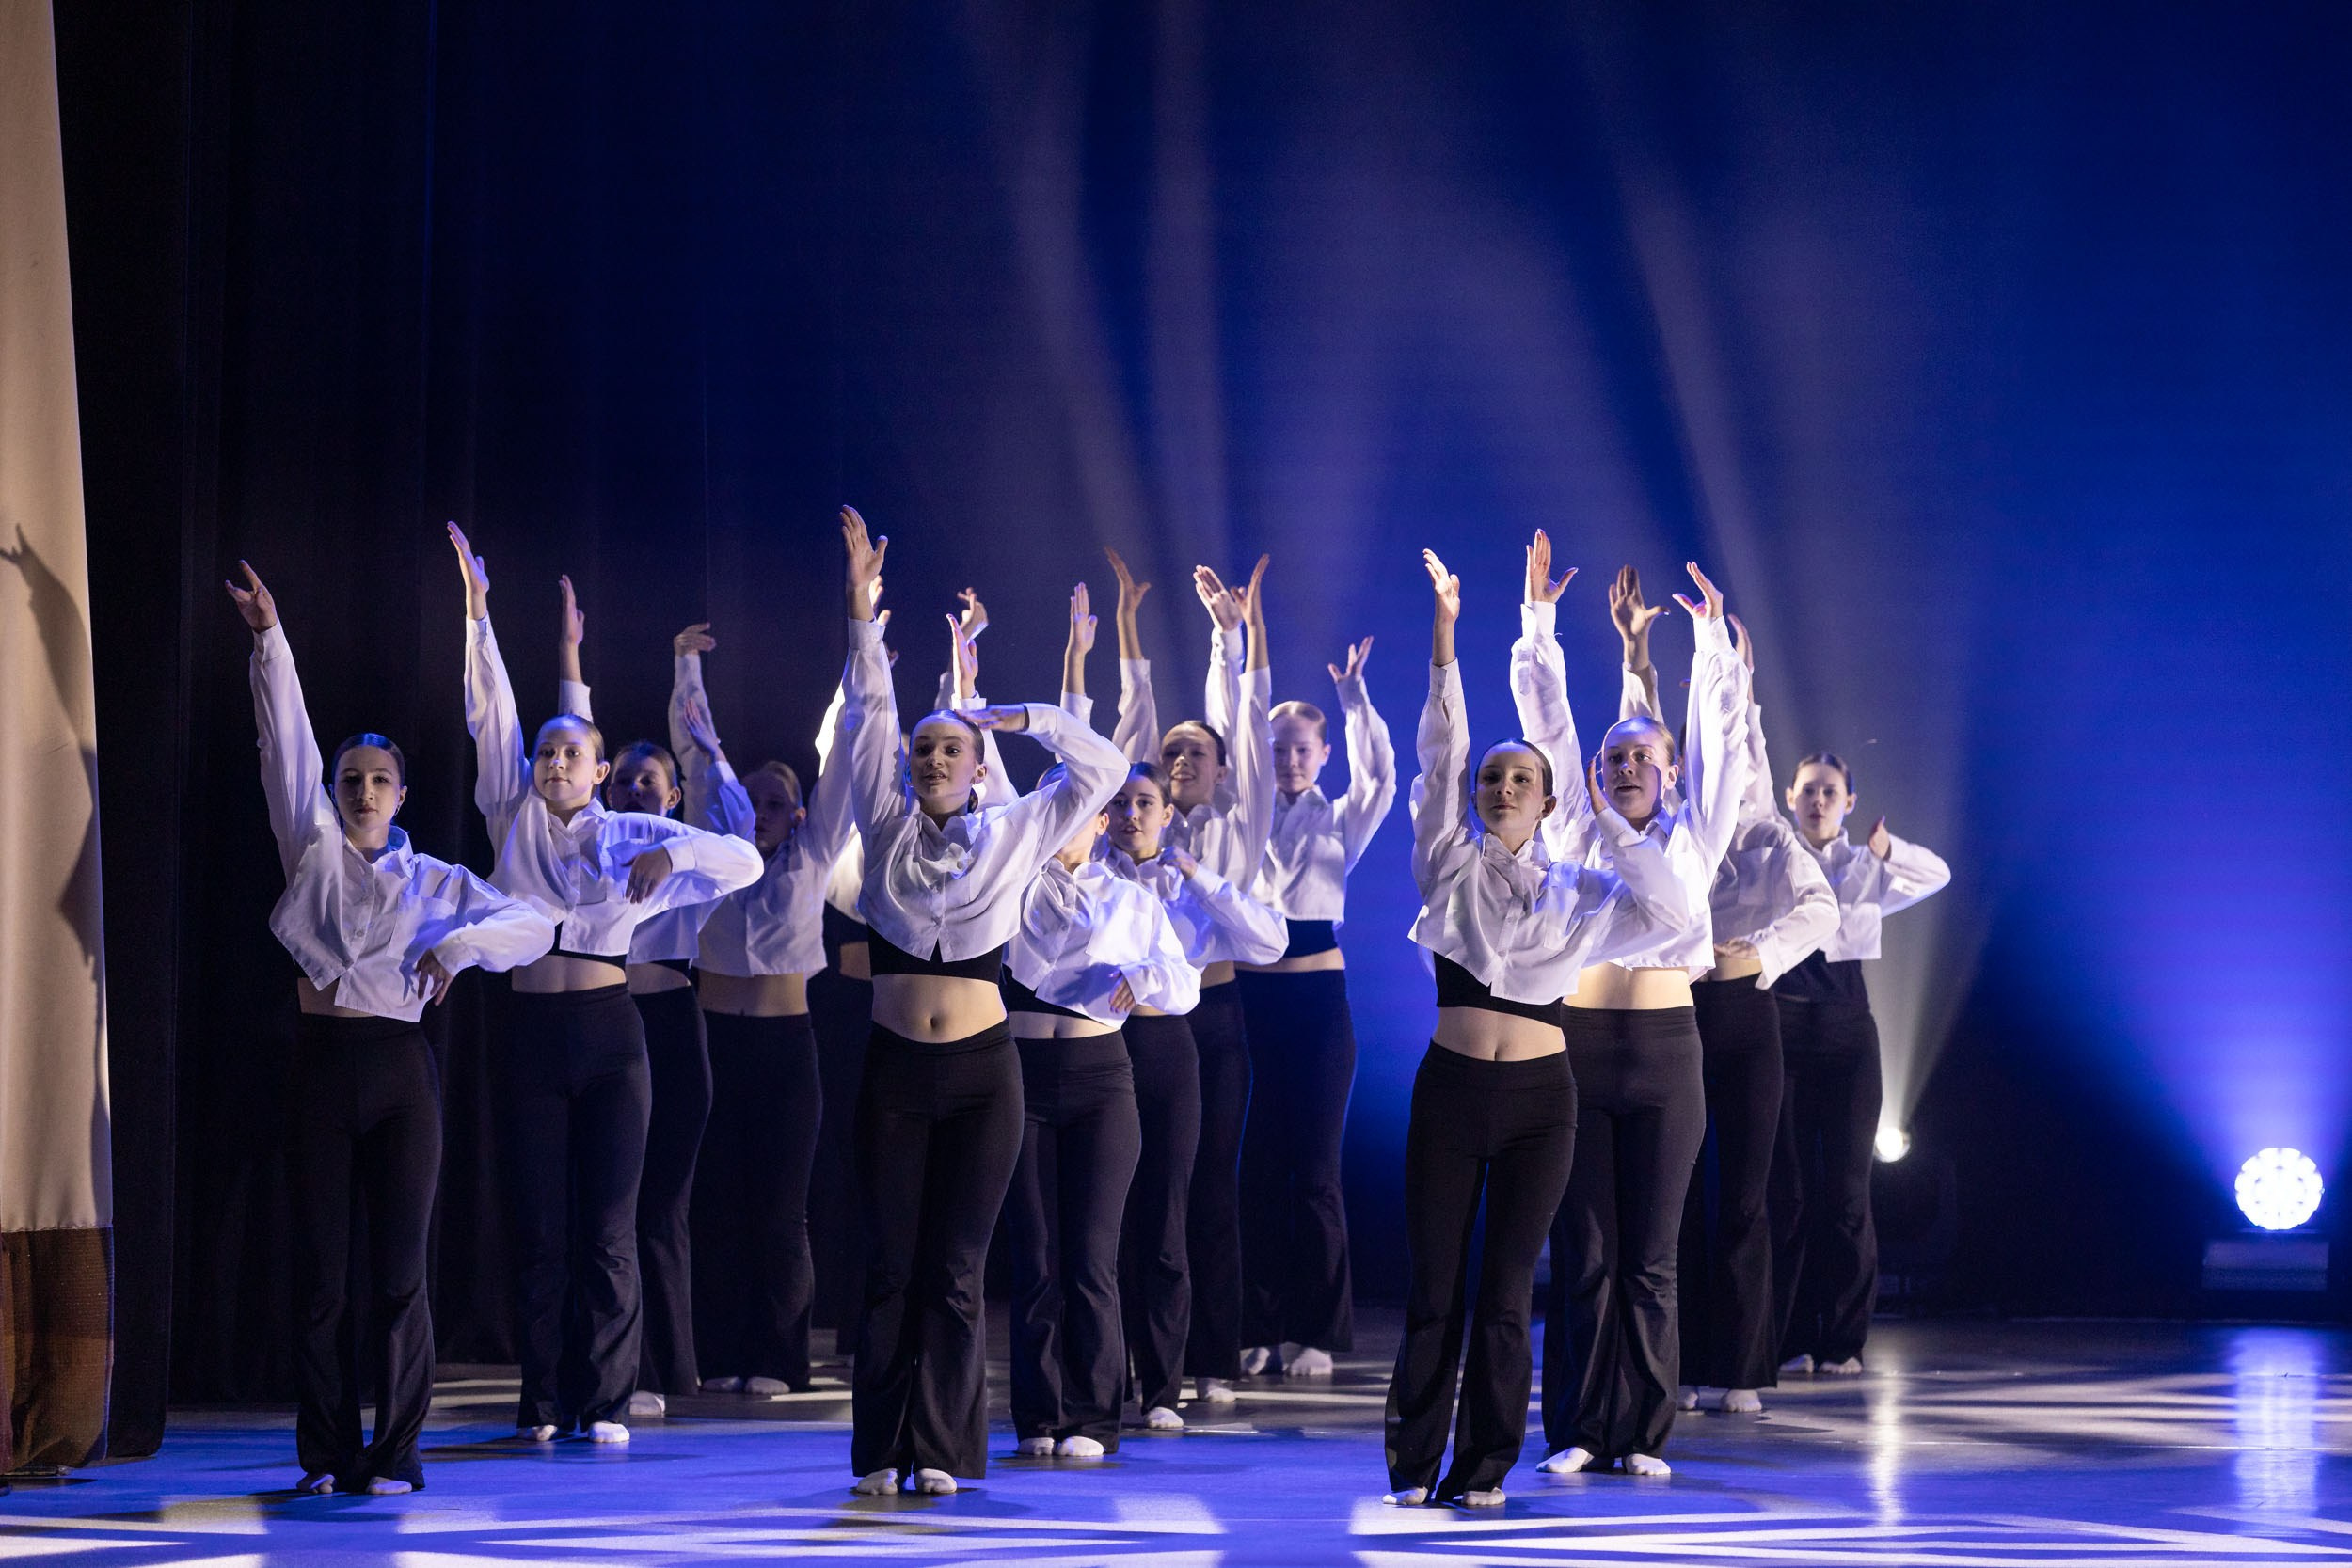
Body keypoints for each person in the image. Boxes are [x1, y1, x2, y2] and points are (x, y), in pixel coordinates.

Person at [229, 561, 553, 1495]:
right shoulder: (312, 852)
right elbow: (280, 746)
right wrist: (268, 639)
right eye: (351, 778)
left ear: (403, 795)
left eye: (380, 779)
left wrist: (458, 950)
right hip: (323, 1066)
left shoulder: (438, 880)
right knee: (324, 1275)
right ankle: (328, 1451)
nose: (364, 789)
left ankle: (396, 1449)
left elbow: (533, 922)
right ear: (335, 791)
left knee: (398, 1276)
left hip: (402, 1070)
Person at [1384, 548, 1696, 1508]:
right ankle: (1412, 1462)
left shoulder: (1587, 886)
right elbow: (1442, 749)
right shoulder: (1446, 861)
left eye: (1523, 777)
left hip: (1540, 1100)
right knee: (1437, 1284)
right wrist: (1445, 636)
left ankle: (1483, 1466)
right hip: (1450, 1088)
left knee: (1509, 1290)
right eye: (1495, 777)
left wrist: (1611, 818)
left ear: (1554, 797)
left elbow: (1675, 914)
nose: (1504, 785)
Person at [448, 524, 763, 1445]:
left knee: (609, 1227)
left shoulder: (627, 833)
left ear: (596, 773)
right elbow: (489, 709)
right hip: (529, 1033)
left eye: (569, 756)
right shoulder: (510, 815)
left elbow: (743, 861)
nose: (551, 764)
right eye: (544, 753)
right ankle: (542, 1399)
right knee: (540, 1228)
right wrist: (479, 614)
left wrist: (673, 850)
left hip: (609, 1031)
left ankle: (606, 1397)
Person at [835, 509, 1128, 1496]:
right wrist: (860, 608)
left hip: (981, 1074)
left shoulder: (1015, 828)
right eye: (924, 749)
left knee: (957, 1272)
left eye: (950, 749)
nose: (932, 759)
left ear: (973, 762)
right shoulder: (880, 828)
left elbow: (1105, 771)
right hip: (892, 1071)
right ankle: (882, 1446)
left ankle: (944, 1450)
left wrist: (1020, 717)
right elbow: (870, 704)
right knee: (889, 1266)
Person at [1510, 532, 1750, 1477]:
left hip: (1664, 1049)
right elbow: (1547, 719)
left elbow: (1723, 734)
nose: (1618, 766)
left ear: (1670, 767)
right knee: (1583, 1250)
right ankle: (1574, 1425)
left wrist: (1712, 645)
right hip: (1578, 1043)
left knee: (1651, 1254)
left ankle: (1642, 1429)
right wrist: (1539, 621)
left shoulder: (1697, 831)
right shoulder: (1574, 825)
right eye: (1609, 758)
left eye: (1637, 754)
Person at [1605, 577, 1837, 1418]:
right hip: (1673, 1013)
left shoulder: (1771, 837)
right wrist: (1637, 654)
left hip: (1742, 1016)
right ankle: (1676, 1356)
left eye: (1732, 759)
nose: (1717, 765)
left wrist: (1761, 953)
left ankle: (1739, 1365)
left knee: (1740, 1193)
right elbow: (1651, 742)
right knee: (1676, 1194)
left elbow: (1822, 909)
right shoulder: (1674, 826)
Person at [1000, 590, 1200, 1457]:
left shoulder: (1128, 894)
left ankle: (1091, 1415)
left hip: (1098, 1077)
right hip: (1016, 1074)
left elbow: (1182, 983)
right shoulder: (1004, 883)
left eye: (1082, 812)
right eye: (1054, 809)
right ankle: (1038, 1415)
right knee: (1034, 1256)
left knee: (1091, 1253)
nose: (1070, 823)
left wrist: (1139, 976)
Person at [1104, 547, 1279, 1405]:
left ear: (1218, 772)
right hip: (1135, 1026)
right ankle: (1139, 1359)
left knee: (1209, 1184)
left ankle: (1208, 1356)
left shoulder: (1236, 830)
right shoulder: (1134, 835)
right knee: (1138, 1190)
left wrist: (1227, 641)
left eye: (1193, 752)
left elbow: (1242, 721)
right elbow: (1128, 729)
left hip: (1213, 1020)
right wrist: (1127, 633)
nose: (1178, 759)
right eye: (1168, 752)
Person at [669, 621, 857, 1399]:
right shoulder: (718, 856)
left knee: (781, 1206)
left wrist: (862, 650)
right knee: (716, 1201)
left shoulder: (813, 859)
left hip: (786, 1047)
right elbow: (694, 751)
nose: (766, 810)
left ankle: (779, 1358)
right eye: (755, 800)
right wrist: (685, 666)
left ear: (800, 814)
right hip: (713, 1040)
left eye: (779, 801)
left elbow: (845, 764)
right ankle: (717, 1353)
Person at [1228, 566, 1395, 1380]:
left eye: (1302, 748)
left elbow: (1384, 779)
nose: (1290, 759)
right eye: (1277, 748)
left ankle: (1318, 1331)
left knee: (1315, 1166)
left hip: (1320, 999)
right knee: (1257, 1162)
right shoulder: (1247, 814)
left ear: (1322, 754)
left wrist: (1357, 700)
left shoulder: (1342, 816)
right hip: (1255, 993)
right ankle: (1257, 1321)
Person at [566, 623, 724, 1417]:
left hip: (672, 1024)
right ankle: (615, 1371)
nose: (636, 790)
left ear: (673, 793)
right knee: (609, 1204)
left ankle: (670, 1367)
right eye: (624, 780)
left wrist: (683, 668)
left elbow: (717, 793)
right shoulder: (593, 846)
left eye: (650, 780)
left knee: (660, 1203)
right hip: (609, 1021)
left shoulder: (692, 843)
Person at [1770, 752, 1949, 1379]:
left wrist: (1885, 847)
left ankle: (1842, 1340)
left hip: (1848, 1028)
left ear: (1848, 801)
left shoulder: (1863, 864)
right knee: (1784, 1193)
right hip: (1782, 1024)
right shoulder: (1771, 854)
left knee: (1847, 1192)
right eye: (1808, 789)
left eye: (1831, 791)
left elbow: (1938, 874)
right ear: (1788, 794)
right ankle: (1786, 1335)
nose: (1818, 800)